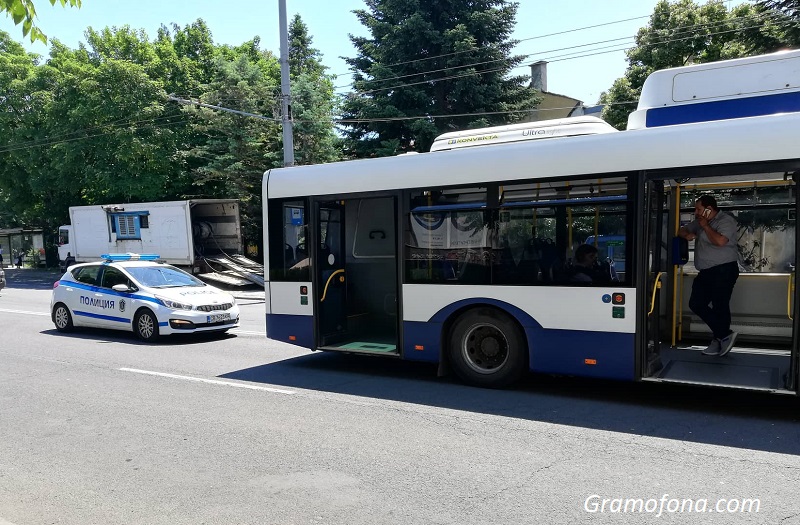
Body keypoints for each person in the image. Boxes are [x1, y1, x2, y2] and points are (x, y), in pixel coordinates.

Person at [678, 194, 739, 356]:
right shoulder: (698, 222)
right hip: (706, 271)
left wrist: (705, 227)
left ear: (708, 209)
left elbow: (720, 241)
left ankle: (718, 338)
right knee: (696, 303)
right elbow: (682, 230)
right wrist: (687, 235)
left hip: (724, 269)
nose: (695, 212)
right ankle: (723, 335)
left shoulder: (725, 221)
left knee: (720, 305)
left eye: (698, 209)